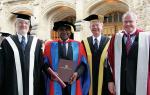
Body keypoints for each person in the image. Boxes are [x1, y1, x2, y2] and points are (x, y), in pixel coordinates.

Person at [1, 10, 45, 95]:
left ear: (29, 26)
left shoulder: (37, 43)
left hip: (33, 84)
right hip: (13, 84)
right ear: (15, 25)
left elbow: (40, 63)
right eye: (20, 22)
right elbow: (2, 66)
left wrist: (51, 73)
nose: (23, 25)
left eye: (26, 23)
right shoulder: (7, 42)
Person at [107, 11, 150, 95]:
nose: (128, 24)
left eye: (131, 21)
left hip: (139, 83)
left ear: (136, 22)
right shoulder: (116, 38)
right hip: (120, 83)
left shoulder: (146, 38)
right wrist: (110, 81)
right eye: (125, 22)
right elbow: (109, 61)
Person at [43, 21, 90, 95]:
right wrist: (50, 74)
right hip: (56, 82)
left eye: (67, 29)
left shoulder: (78, 45)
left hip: (73, 81)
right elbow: (44, 63)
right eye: (61, 29)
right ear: (58, 32)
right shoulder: (49, 45)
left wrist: (77, 73)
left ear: (70, 32)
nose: (64, 31)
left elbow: (83, 64)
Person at [82, 14, 112, 95]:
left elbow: (111, 63)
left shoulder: (109, 42)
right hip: (88, 78)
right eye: (92, 25)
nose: (95, 27)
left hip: (104, 79)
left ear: (102, 26)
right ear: (90, 27)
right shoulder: (84, 42)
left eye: (97, 25)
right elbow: (80, 61)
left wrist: (111, 80)